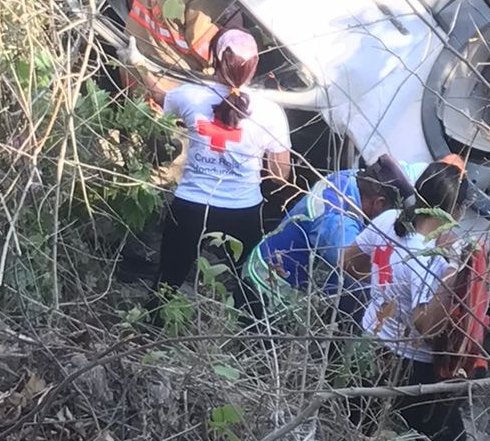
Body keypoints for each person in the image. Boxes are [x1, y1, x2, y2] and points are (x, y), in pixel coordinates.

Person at [138, 28, 293, 309]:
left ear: (215, 60)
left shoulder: (190, 96)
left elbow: (156, 94)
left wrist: (135, 62)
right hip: (243, 212)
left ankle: (151, 332)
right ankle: (253, 344)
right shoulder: (271, 112)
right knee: (249, 283)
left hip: (190, 207)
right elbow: (281, 176)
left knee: (167, 281)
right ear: (254, 66)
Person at [341, 158, 472, 441]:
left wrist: (384, 290)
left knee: (357, 432)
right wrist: (453, 268)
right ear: (455, 211)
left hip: (368, 343)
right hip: (410, 366)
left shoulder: (389, 220)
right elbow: (426, 327)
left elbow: (347, 262)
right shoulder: (433, 257)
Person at [245, 155, 424, 317]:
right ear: (379, 203)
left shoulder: (352, 179)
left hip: (270, 264)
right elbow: (362, 271)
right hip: (268, 293)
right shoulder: (337, 225)